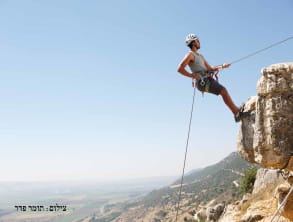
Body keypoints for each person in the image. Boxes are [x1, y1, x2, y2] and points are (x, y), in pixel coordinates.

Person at [177, 33, 247, 122]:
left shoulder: (200, 56)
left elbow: (211, 68)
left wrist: (222, 66)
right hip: (202, 82)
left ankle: (236, 110)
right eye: (197, 41)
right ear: (193, 43)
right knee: (223, 91)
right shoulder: (190, 55)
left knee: (224, 91)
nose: (199, 42)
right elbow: (179, 69)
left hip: (206, 79)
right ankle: (237, 114)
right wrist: (192, 75)